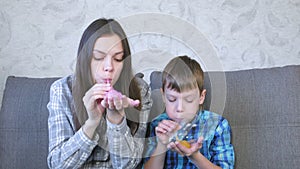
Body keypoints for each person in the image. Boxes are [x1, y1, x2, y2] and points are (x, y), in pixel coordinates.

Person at [47, 18, 152, 168]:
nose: (109, 67)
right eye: (99, 57)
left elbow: (129, 165)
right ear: (85, 59)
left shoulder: (140, 91)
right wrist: (91, 123)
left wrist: (117, 121)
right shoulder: (62, 90)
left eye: (117, 58)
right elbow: (57, 165)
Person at [143, 56, 234, 169]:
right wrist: (161, 145)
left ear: (201, 97)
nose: (180, 108)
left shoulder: (217, 125)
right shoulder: (157, 126)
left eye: (189, 100)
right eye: (172, 99)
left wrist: (195, 156)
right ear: (163, 96)